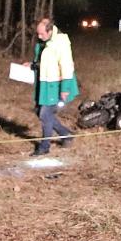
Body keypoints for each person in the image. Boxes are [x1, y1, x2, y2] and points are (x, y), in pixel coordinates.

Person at [24, 17, 79, 156]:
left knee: (45, 113)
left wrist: (65, 88)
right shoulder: (44, 43)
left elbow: (67, 66)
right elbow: (45, 62)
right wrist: (31, 65)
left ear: (50, 31)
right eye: (38, 33)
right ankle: (66, 134)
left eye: (41, 34)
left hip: (57, 85)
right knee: (39, 111)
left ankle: (44, 147)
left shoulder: (61, 43)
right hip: (44, 83)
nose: (39, 36)